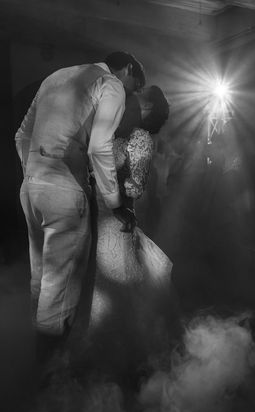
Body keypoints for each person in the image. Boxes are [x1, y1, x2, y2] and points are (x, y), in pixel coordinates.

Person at [15, 52, 145, 365]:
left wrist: (35, 171)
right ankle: (48, 379)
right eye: (134, 86)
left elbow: (21, 135)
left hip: (30, 188)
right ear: (127, 68)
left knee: (41, 281)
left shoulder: (56, 76)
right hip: (63, 188)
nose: (129, 94)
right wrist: (115, 204)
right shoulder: (110, 83)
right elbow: (99, 146)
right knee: (59, 290)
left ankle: (31, 367)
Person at [66, 85, 178, 385]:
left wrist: (103, 189)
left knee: (100, 293)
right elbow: (129, 186)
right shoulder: (124, 134)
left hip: (100, 223)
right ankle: (106, 364)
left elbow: (129, 185)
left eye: (139, 97)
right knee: (103, 291)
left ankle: (102, 364)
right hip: (102, 221)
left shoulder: (120, 136)